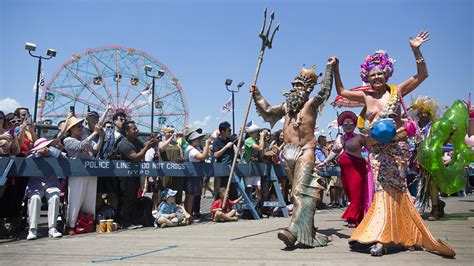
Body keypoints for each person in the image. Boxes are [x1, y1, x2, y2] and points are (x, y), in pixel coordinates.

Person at [332, 31, 455, 257]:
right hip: (376, 151)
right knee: (381, 191)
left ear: (386, 74)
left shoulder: (397, 91)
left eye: (380, 74)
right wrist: (335, 68)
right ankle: (386, 233)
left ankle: (387, 237)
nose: (377, 78)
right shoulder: (366, 97)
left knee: (395, 190)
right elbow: (340, 91)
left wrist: (416, 50)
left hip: (397, 149)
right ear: (367, 78)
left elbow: (423, 75)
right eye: (372, 75)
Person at [251, 60, 334, 247]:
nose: (295, 88)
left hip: (306, 151)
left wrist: (329, 69)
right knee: (297, 193)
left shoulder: (312, 104)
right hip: (288, 154)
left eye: (300, 86)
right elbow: (268, 109)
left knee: (299, 191)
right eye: (294, 85)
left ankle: (293, 230)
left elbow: (326, 90)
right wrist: (256, 93)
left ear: (308, 89)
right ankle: (308, 230)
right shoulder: (286, 107)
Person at [317, 111, 367, 227]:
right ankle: (359, 216)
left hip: (358, 169)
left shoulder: (360, 137)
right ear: (342, 126)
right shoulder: (340, 138)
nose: (348, 126)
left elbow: (371, 149)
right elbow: (334, 152)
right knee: (349, 193)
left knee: (356, 192)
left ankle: (352, 218)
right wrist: (324, 162)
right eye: (345, 124)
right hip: (344, 170)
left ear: (355, 125)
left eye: (350, 124)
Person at [64, 115, 104, 235]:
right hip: (77, 172)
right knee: (76, 198)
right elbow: (80, 147)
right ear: (70, 129)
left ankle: (87, 223)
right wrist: (95, 133)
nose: (80, 127)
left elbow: (95, 149)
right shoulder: (68, 140)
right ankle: (71, 225)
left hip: (90, 170)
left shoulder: (84, 137)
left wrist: (101, 136)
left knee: (89, 198)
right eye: (77, 126)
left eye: (81, 125)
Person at [409, 96, 445, 220]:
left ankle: (435, 209)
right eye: (421, 112)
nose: (424, 115)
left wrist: (450, 133)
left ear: (430, 115)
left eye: (426, 113)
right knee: (422, 184)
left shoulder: (435, 127)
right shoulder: (414, 126)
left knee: (431, 183)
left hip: (432, 159)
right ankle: (437, 204)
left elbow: (443, 143)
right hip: (417, 160)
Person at [117, 121, 157, 229]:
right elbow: (136, 157)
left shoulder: (135, 140)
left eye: (136, 128)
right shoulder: (124, 144)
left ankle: (133, 219)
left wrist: (151, 142)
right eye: (133, 129)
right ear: (126, 132)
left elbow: (144, 146)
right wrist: (146, 147)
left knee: (134, 198)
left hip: (134, 174)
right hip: (126, 175)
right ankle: (126, 222)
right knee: (127, 199)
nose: (136, 131)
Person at [26, 138, 65, 240]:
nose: (47, 148)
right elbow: (27, 158)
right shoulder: (33, 155)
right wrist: (39, 153)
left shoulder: (53, 153)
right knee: (35, 198)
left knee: (55, 197)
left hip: (52, 184)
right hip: (36, 185)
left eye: (48, 146)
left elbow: (65, 159)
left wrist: (59, 151)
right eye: (45, 146)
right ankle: (32, 230)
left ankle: (52, 228)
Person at [183, 130, 211, 221]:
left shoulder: (192, 148)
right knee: (190, 196)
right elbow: (203, 156)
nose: (199, 140)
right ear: (192, 139)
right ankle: (189, 215)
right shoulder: (192, 150)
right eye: (197, 138)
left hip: (193, 174)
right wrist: (207, 144)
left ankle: (189, 214)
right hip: (192, 175)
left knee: (190, 196)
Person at [211, 121, 239, 200]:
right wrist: (226, 147)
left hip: (231, 170)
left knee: (233, 193)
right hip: (221, 171)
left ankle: (231, 210)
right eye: (229, 130)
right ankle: (219, 210)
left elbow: (241, 142)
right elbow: (215, 155)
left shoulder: (231, 138)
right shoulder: (217, 141)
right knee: (221, 192)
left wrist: (241, 135)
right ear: (222, 131)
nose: (230, 132)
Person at [159, 126, 184, 204]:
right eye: (168, 132)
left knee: (177, 190)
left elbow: (182, 156)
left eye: (172, 132)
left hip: (176, 171)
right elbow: (162, 149)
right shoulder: (161, 142)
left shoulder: (177, 144)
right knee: (165, 190)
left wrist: (180, 159)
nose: (170, 134)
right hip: (165, 172)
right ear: (164, 133)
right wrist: (170, 139)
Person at [242, 124, 267, 200]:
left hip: (256, 167)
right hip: (249, 166)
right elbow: (260, 148)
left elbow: (262, 153)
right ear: (253, 132)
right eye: (258, 132)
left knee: (258, 188)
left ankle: (257, 205)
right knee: (249, 188)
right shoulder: (248, 141)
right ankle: (247, 204)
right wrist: (262, 137)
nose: (259, 133)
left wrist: (263, 139)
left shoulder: (257, 141)